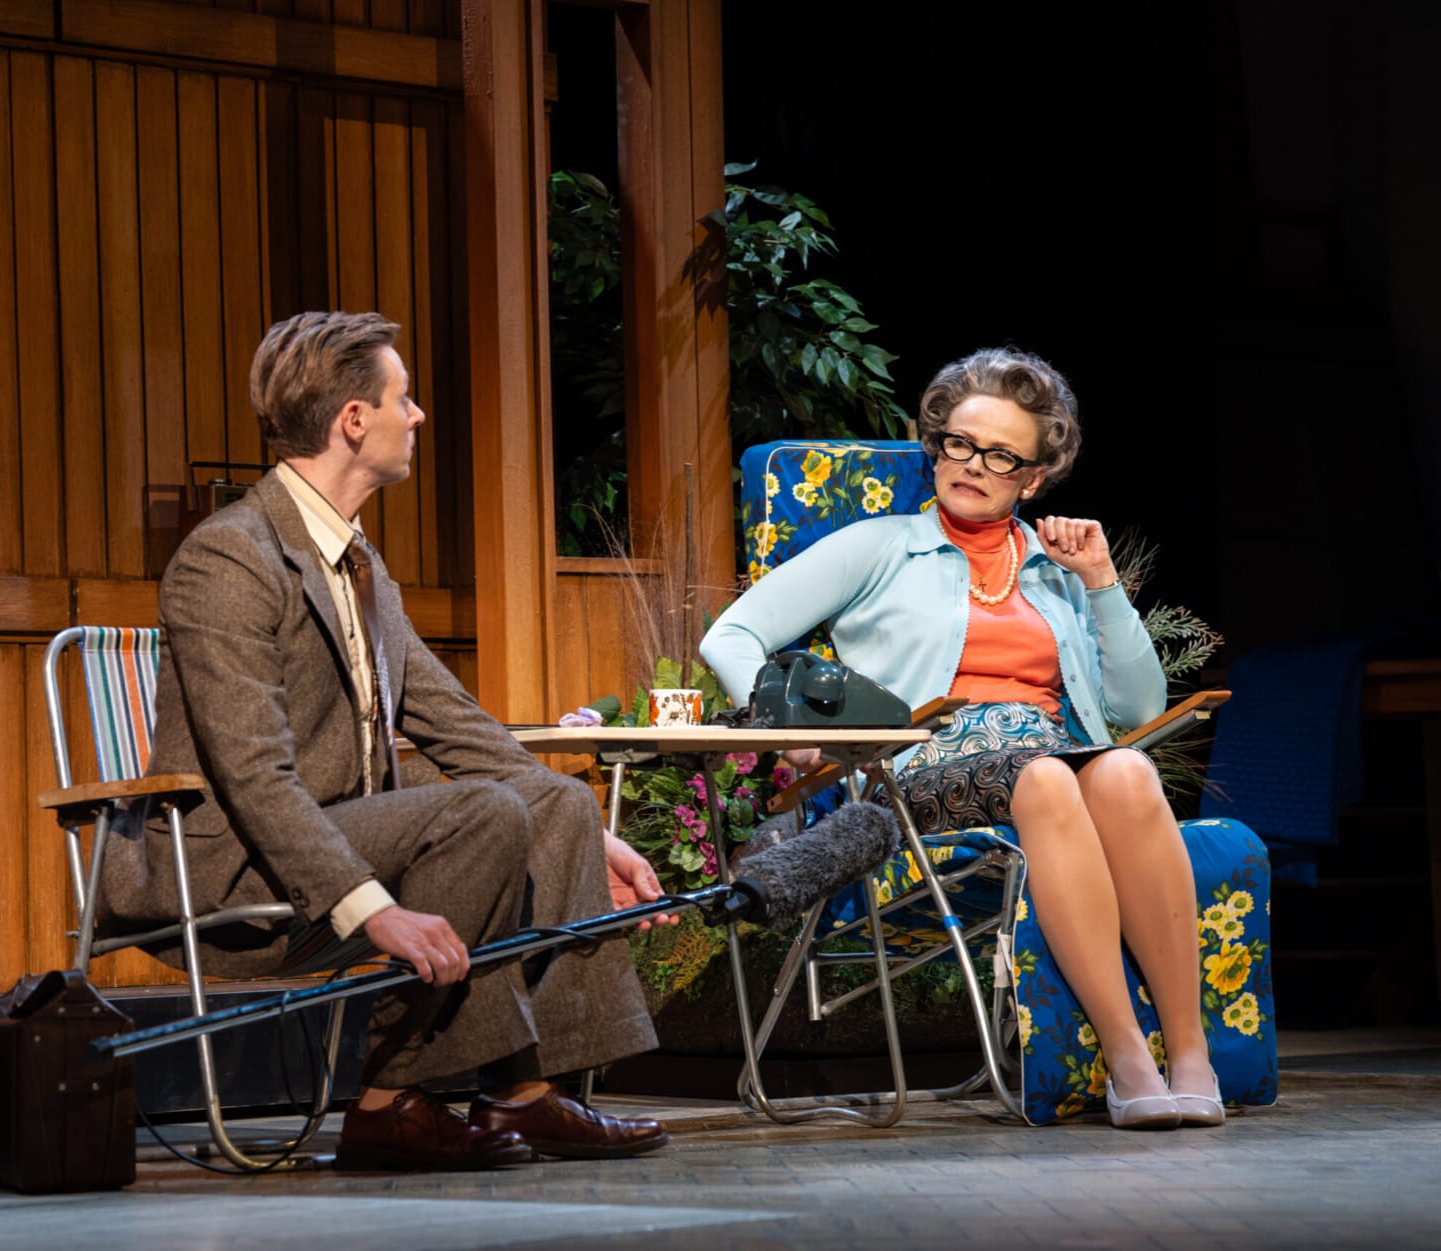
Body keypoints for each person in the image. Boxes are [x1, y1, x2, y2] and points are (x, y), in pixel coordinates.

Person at [101, 310, 670, 1170]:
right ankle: (384, 1103)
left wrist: (593, 834)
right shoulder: (229, 558)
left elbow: (457, 724)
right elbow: (256, 780)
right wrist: (377, 909)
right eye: (404, 398)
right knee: (478, 812)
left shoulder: (360, 564)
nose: (419, 416)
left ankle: (523, 1093)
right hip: (232, 871)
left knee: (549, 797)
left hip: (343, 830)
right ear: (353, 420)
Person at [699, 347, 1220, 1131]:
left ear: (1034, 477)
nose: (971, 464)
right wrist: (794, 727)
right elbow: (731, 635)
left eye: (1000, 454)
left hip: (1046, 755)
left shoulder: (1055, 566)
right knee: (1049, 776)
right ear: (936, 444)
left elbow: (1136, 706)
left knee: (1127, 775)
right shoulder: (878, 547)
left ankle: (1191, 1054)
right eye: (958, 442)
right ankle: (1127, 1057)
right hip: (911, 773)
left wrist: (1102, 581)